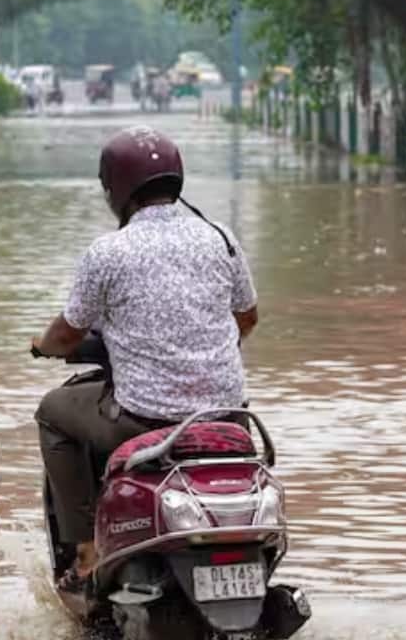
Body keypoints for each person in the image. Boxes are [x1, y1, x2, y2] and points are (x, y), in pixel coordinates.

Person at [31, 126, 259, 591]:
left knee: (53, 413)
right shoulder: (220, 238)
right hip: (230, 417)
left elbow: (67, 333)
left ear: (115, 188)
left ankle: (86, 551)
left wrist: (40, 346)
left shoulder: (108, 251)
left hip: (145, 420)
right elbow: (247, 319)